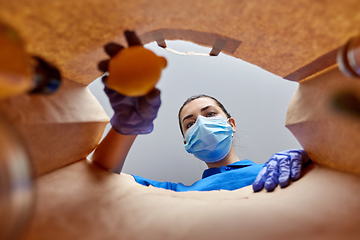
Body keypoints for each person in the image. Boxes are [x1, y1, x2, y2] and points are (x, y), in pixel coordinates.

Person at [92, 31, 310, 192]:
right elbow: (101, 177)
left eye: (210, 114)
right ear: (186, 143)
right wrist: (127, 125)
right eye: (189, 124)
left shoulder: (275, 169)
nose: (202, 124)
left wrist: (311, 158)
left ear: (231, 124)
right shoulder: (174, 193)